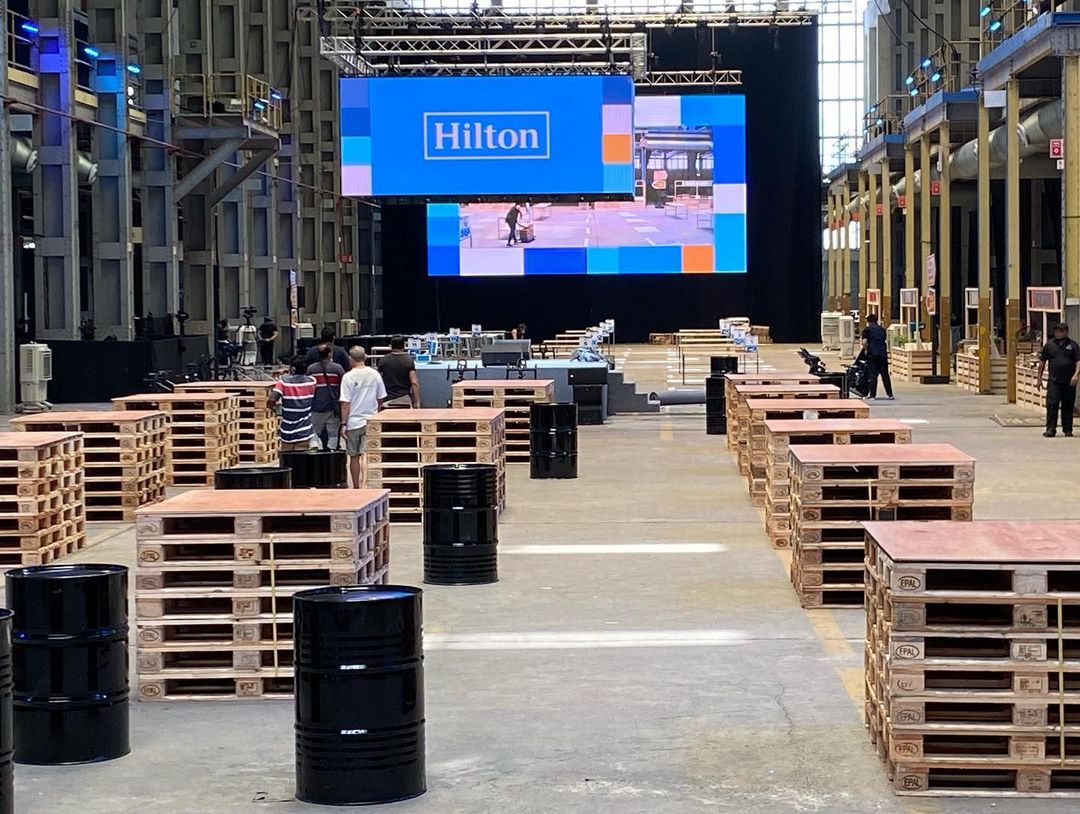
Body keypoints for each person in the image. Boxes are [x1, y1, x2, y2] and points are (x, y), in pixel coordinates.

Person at [340, 347, 387, 488]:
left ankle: (356, 486)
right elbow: (381, 398)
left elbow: (345, 403)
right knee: (366, 455)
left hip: (353, 422)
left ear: (350, 358)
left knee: (353, 456)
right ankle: (366, 486)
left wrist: (343, 423)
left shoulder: (347, 377)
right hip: (371, 419)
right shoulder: (375, 374)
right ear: (365, 357)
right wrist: (377, 413)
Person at [1037, 322, 1080, 437]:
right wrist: (1039, 378)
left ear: (1066, 332)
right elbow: (1042, 362)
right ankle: (1051, 429)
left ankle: (1067, 429)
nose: (1058, 333)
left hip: (1069, 381)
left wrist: (1076, 375)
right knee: (1052, 405)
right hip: (1054, 381)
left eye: (1060, 331)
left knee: (1068, 406)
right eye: (1056, 331)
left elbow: (1078, 361)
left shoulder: (1073, 345)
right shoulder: (1049, 345)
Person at [269, 356, 317, 451]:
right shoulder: (312, 382)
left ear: (293, 369)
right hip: (305, 431)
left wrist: (272, 408)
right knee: (301, 461)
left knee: (287, 460)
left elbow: (272, 398)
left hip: (287, 431)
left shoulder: (283, 383)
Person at [306, 344, 345, 450]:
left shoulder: (311, 369)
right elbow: (343, 386)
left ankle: (314, 447)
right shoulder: (337, 368)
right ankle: (331, 453)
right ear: (330, 354)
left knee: (314, 431)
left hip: (316, 406)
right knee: (333, 433)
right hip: (333, 407)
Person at [377, 336, 420, 408]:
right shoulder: (408, 360)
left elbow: (378, 381)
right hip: (404, 399)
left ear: (391, 346)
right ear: (404, 346)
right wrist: (417, 402)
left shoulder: (383, 360)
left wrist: (378, 402)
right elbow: (414, 383)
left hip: (387, 399)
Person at [861, 313, 894, 401]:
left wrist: (866, 349)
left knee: (873, 374)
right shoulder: (882, 329)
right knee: (885, 374)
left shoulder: (866, 330)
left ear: (868, 321)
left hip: (872, 353)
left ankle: (872, 395)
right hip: (882, 353)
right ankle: (890, 394)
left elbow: (864, 342)